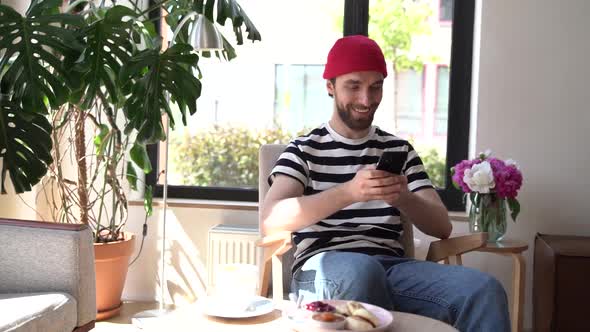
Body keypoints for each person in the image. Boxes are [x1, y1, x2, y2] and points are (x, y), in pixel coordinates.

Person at [260, 35, 510, 331]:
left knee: (484, 290)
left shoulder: (399, 150)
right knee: (362, 272)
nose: (367, 100)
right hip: (323, 269)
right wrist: (348, 192)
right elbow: (271, 218)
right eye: (354, 86)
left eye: (375, 86)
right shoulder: (303, 150)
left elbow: (441, 227)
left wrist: (404, 197)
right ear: (330, 86)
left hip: (393, 269)